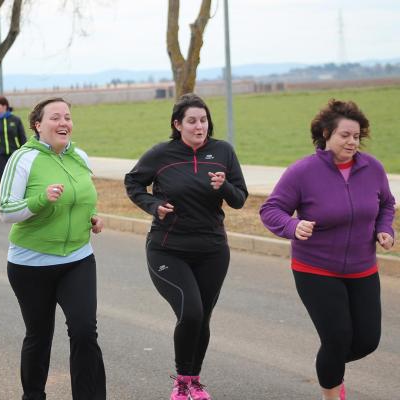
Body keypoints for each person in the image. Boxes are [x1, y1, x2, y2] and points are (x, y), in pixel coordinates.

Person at [260, 99, 395, 400]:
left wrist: (385, 230)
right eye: (344, 135)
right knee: (336, 337)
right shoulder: (303, 172)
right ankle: (332, 392)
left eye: (356, 136)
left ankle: (329, 365)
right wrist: (293, 226)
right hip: (316, 269)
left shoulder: (372, 168)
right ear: (326, 134)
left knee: (367, 341)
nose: (352, 141)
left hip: (362, 267)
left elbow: (386, 203)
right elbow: (271, 210)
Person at [124, 93, 248, 400]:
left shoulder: (223, 152)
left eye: (203, 120)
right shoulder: (161, 154)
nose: (199, 126)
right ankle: (181, 381)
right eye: (192, 121)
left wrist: (225, 186)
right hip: (168, 248)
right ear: (177, 124)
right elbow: (133, 182)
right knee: (190, 312)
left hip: (212, 250)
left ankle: (194, 380)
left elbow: (240, 199)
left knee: (202, 317)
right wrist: (154, 205)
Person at [0, 97, 106, 400]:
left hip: (77, 258)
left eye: (67, 117)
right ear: (38, 125)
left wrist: (92, 217)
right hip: (30, 264)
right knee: (39, 336)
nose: (63, 123)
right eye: (55, 118)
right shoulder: (23, 159)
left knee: (85, 332)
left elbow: (84, 198)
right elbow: (6, 210)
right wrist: (40, 199)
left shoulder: (80, 156)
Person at [0, 95, 27, 182]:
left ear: (4, 106)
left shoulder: (16, 120)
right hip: (0, 155)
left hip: (14, 154)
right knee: (3, 180)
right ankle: (3, 196)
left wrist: (24, 154)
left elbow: (23, 138)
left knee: (16, 179)